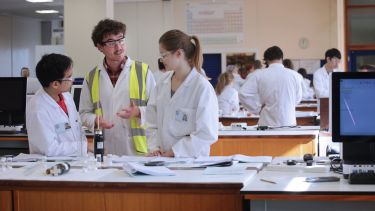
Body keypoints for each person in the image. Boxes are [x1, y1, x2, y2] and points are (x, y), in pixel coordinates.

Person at [79, 19, 156, 156]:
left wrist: (138, 112)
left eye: (120, 40)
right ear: (99, 47)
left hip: (137, 152)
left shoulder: (143, 71)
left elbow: (157, 109)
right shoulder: (91, 77)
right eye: (111, 43)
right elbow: (84, 113)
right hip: (105, 149)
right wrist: (94, 120)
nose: (119, 47)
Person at [146, 29, 218, 158]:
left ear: (179, 53)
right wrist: (154, 147)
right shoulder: (163, 82)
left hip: (191, 161)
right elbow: (151, 121)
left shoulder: (201, 87)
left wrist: (175, 152)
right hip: (162, 159)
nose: (162, 61)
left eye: (164, 56)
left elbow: (207, 133)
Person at [26, 53, 88, 156]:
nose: (72, 80)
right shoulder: (38, 109)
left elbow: (76, 128)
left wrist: (85, 147)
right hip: (52, 165)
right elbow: (51, 149)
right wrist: (84, 147)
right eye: (69, 77)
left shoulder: (66, 97)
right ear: (55, 84)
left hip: (77, 160)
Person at [239, 46, 302, 127]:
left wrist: (256, 109)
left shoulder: (258, 74)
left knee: (266, 140)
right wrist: (287, 104)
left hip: (267, 122)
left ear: (266, 60)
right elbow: (298, 99)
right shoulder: (295, 75)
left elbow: (242, 93)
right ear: (282, 58)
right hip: (288, 120)